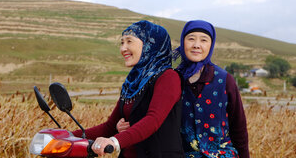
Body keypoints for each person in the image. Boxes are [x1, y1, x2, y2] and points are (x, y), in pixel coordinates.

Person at [72, 20, 184, 157]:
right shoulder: (132, 83)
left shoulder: (168, 77)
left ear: (150, 44)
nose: (123, 48)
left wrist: (114, 141)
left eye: (129, 42)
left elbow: (153, 120)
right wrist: (68, 136)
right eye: (122, 42)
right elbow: (110, 127)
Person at [173, 20, 250, 158]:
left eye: (204, 40)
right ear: (183, 42)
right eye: (191, 39)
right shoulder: (173, 79)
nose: (197, 45)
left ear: (211, 45)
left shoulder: (225, 80)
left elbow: (239, 128)